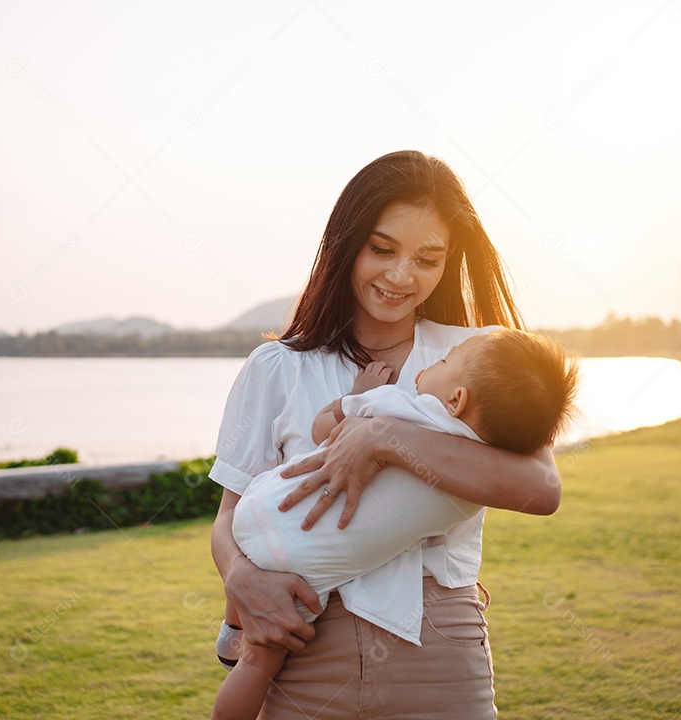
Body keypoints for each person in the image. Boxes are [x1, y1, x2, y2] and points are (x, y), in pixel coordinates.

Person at [209, 150, 563, 719]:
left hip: (440, 653)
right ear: (347, 243)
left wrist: (382, 438)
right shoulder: (275, 367)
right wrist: (243, 579)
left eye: (428, 258)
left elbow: (541, 488)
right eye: (382, 249)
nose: (402, 276)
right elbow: (230, 517)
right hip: (305, 648)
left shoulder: (483, 358)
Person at [211, 329, 578, 720]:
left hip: (280, 535)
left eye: (442, 363)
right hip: (308, 599)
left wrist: (367, 416)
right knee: (258, 661)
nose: (401, 276)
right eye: (384, 260)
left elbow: (544, 491)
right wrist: (236, 572)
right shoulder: (490, 449)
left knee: (253, 665)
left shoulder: (438, 382)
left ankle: (233, 629)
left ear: (457, 399)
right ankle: (236, 627)